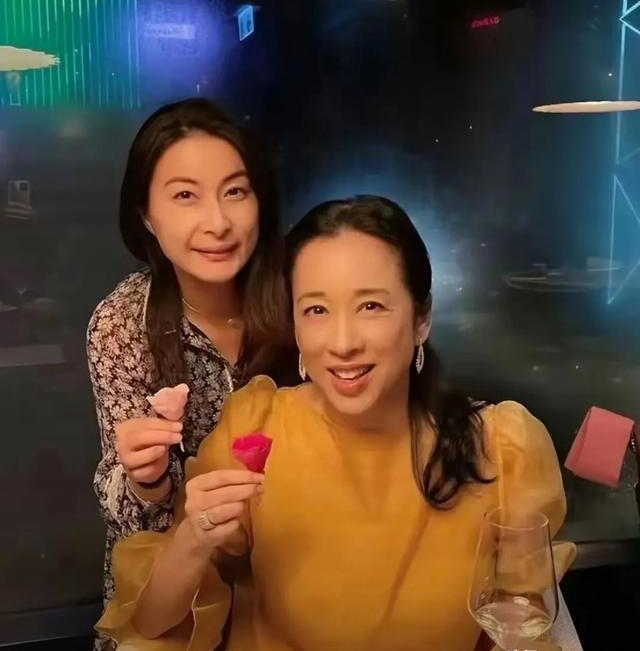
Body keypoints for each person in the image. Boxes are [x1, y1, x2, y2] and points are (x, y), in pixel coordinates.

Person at [97, 195, 570, 651]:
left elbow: (522, 624)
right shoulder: (257, 431)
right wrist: (192, 539)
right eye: (317, 310)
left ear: (421, 319)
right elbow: (154, 622)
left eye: (371, 306)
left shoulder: (502, 448)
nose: (342, 343)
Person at [87, 98, 291, 650]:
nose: (217, 223)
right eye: (185, 196)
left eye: (235, 191)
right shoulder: (122, 323)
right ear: (146, 216)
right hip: (175, 580)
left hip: (292, 562)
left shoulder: (304, 297)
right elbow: (130, 523)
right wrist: (146, 479)